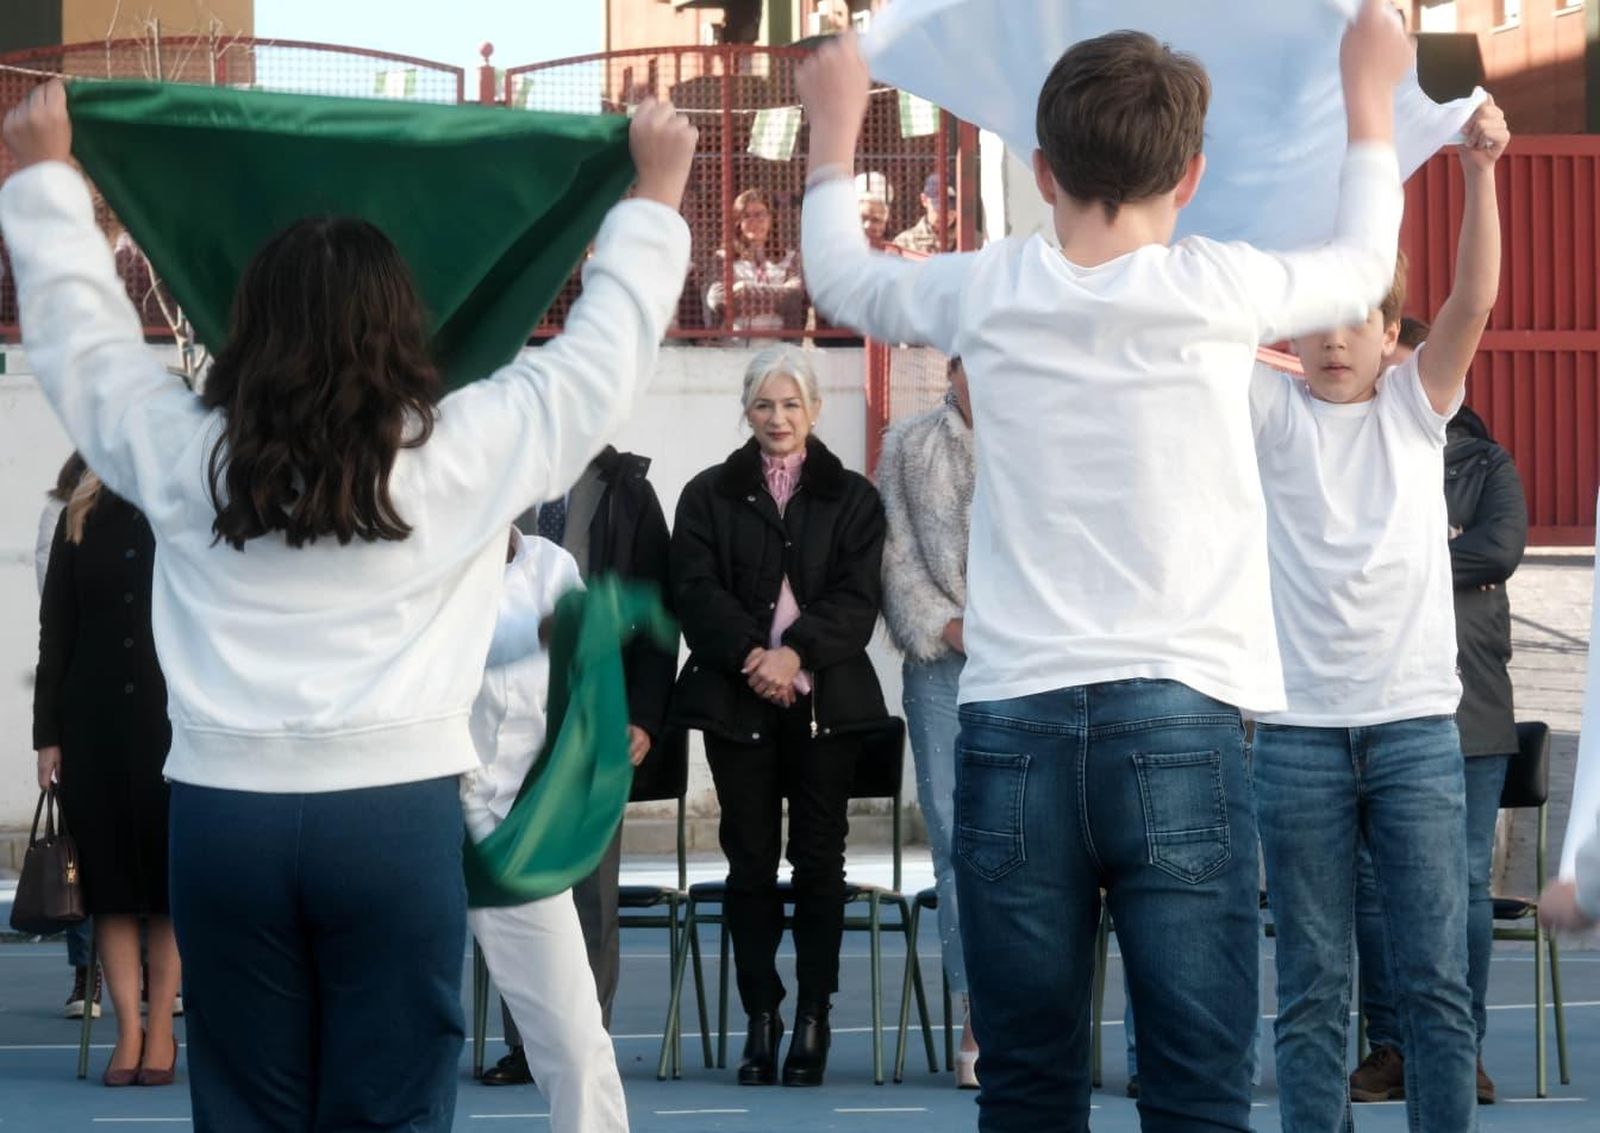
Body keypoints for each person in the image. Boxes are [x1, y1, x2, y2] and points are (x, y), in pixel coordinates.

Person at [1, 83, 696, 1132]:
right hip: (392, 812)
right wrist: (651, 194)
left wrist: (49, 181)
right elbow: (597, 368)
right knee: (390, 1107)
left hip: (222, 813)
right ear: (399, 323)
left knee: (248, 1109)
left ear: (245, 319)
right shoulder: (454, 454)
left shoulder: (193, 454)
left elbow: (81, 348)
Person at [795, 12, 1412, 1128]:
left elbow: (841, 275)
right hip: (1178, 716)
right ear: (1190, 175)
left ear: (1041, 170)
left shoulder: (985, 289)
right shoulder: (1218, 285)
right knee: (1196, 1086)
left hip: (1013, 720)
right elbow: (1365, 262)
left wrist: (835, 130)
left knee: (1028, 1081)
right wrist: (1368, 95)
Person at [1250, 97, 1509, 1132]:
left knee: (1434, 984)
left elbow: (1475, 297)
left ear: (1390, 333)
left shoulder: (1415, 407)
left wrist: (1478, 171)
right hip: (1298, 739)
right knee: (1313, 989)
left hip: (1411, 733)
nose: (1330, 339)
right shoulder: (1262, 410)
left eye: (1353, 317)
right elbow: (1189, 314)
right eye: (1312, 321)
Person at [669, 345, 887, 1088]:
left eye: (791, 404)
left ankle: (814, 1018)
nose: (778, 418)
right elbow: (694, 591)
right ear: (746, 411)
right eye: (764, 404)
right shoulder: (707, 494)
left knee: (821, 862)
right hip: (738, 701)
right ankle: (761, 1016)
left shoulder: (854, 496)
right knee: (749, 860)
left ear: (816, 410)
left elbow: (858, 599)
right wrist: (752, 657)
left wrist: (794, 654)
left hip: (826, 703)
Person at [1348, 391, 1528, 1107]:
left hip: (1471, 701)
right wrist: (1444, 549)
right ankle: (1391, 1044)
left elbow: (1501, 549)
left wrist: (1398, 557)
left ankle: (1463, 1049)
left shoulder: (1486, 464)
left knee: (1461, 885)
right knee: (1370, 885)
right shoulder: (1359, 453)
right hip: (1374, 697)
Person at [485, 446, 677, 1087]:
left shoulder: (625, 490)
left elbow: (651, 615)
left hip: (581, 737)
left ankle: (584, 1035)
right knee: (506, 904)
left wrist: (641, 716)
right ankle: (525, 1045)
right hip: (482, 756)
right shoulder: (495, 485)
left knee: (590, 898)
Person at [462, 527, 629, 1132]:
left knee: (576, 1041)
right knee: (388, 1043)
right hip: (417, 821)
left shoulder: (551, 567)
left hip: (517, 834)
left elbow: (587, 686)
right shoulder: (416, 564)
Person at [34, 471, 182, 1087]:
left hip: (173, 721)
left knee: (169, 885)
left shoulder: (187, 508)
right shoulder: (79, 515)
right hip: (91, 723)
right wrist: (47, 736)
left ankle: (164, 1031)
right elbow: (56, 633)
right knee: (110, 887)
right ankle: (127, 1029)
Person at [875, 356, 979, 1088]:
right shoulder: (909, 443)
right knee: (954, 839)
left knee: (1030, 845)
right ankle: (982, 1011)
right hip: (942, 661)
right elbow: (895, 556)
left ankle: (1024, 1008)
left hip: (1034, 659)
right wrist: (949, 627)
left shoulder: (1048, 432)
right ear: (953, 368)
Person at [33, 451, 99, 1020]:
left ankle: (154, 974)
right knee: (77, 855)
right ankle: (87, 972)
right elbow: (53, 614)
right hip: (88, 703)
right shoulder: (64, 513)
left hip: (151, 708)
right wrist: (47, 734)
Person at [704, 187, 808, 341]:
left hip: (778, 348)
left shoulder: (790, 258)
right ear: (738, 222)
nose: (754, 221)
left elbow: (794, 297)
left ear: (771, 218)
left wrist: (744, 291)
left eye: (760, 214)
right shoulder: (723, 258)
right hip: (734, 347)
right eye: (746, 216)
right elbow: (716, 300)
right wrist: (777, 298)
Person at [892, 173, 956, 255]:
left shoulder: (972, 241)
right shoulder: (904, 243)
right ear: (924, 200)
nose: (946, 215)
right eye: (940, 208)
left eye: (952, 209)